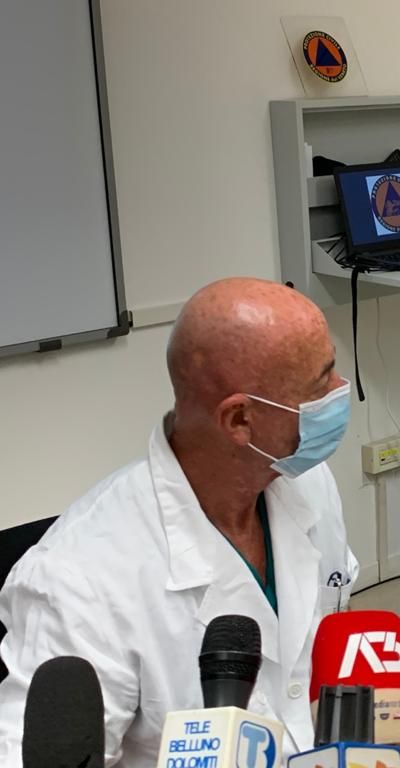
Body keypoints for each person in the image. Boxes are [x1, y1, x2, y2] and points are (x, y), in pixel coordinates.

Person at [0, 278, 359, 766]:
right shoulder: (76, 580)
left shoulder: (304, 481)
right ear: (239, 420)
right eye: (322, 383)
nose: (341, 392)